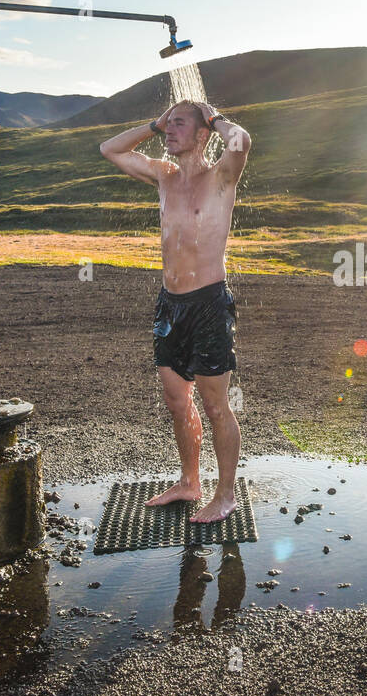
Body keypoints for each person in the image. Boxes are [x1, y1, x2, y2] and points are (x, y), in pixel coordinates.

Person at [98, 100, 252, 522]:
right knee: (175, 398)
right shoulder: (163, 176)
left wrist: (214, 115)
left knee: (215, 404)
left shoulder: (221, 176)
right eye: (168, 124)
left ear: (203, 135)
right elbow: (109, 149)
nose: (169, 130)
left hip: (208, 304)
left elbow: (242, 141)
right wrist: (153, 123)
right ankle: (189, 482)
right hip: (170, 304)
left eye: (179, 124)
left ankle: (224, 495)